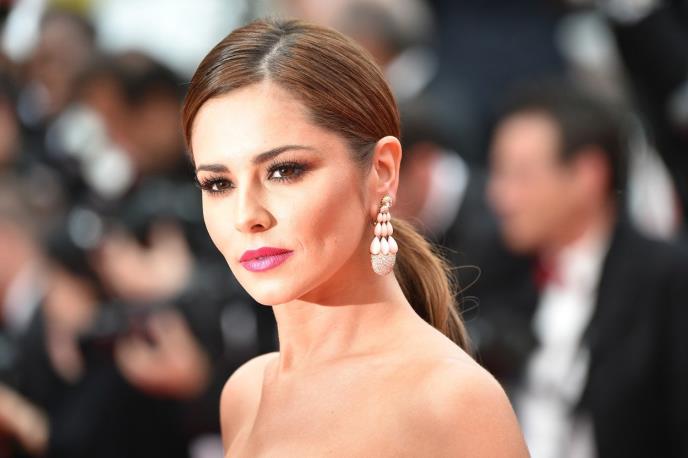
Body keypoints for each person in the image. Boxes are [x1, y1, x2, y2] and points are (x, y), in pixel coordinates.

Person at [181, 18, 528, 456]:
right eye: (218, 184)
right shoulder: (244, 393)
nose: (246, 215)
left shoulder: (450, 399)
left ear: (381, 171)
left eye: (285, 171)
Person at [486, 82, 688, 457]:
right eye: (498, 173)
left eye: (521, 175)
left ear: (587, 174)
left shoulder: (667, 280)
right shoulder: (497, 272)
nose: (500, 195)